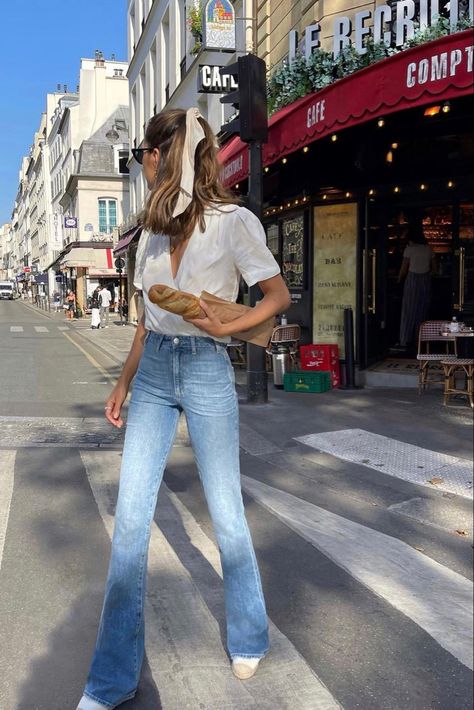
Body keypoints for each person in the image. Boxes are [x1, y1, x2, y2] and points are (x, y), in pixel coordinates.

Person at [76, 108, 290, 710]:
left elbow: (276, 297)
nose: (140, 161)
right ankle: (110, 681)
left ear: (169, 154)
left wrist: (229, 319)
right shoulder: (149, 230)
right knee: (130, 526)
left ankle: (249, 633)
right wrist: (123, 382)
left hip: (205, 366)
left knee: (226, 512)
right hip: (153, 374)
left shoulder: (231, 222)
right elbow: (147, 321)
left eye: (146, 151)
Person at [398, 221, 436, 348]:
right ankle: (420, 340)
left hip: (412, 279)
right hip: (425, 280)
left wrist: (398, 280)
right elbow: (434, 269)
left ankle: (405, 339)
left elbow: (404, 269)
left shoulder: (409, 249)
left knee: (408, 311)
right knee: (422, 310)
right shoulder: (428, 249)